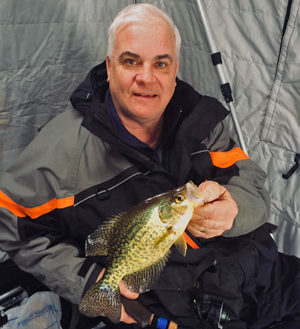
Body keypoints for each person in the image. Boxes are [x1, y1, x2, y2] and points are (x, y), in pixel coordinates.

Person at [3, 3, 300, 329]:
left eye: (161, 63)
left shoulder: (200, 120)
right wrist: (87, 281)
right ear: (109, 67)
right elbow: (11, 225)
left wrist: (234, 209)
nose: (146, 78)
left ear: (175, 71)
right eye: (131, 61)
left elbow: (251, 179)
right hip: (173, 303)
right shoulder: (61, 151)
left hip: (255, 272)